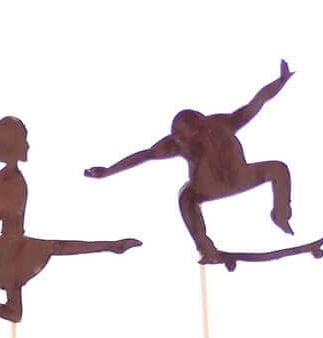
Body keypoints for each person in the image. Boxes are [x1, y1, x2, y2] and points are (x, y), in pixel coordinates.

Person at [85, 61, 295, 264]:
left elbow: (257, 102)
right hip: (228, 181)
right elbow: (143, 155)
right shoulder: (201, 133)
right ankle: (209, 246)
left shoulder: (216, 126)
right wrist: (108, 171)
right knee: (189, 196)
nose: (194, 140)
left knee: (190, 196)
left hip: (226, 181)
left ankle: (279, 215)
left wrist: (280, 81)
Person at [0, 116, 140, 321]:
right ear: (12, 145)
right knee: (19, 307)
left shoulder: (11, 177)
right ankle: (113, 246)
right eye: (24, 140)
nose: (28, 145)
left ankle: (113, 246)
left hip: (13, 242)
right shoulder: (6, 180)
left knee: (54, 251)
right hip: (10, 246)